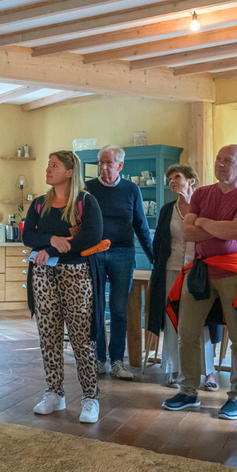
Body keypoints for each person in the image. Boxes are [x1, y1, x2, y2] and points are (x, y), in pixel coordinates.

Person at [162, 145, 237, 421]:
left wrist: (204, 222)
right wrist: (218, 229)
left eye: (228, 160)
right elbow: (188, 232)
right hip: (201, 270)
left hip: (235, 271)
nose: (220, 164)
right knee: (187, 331)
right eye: (218, 159)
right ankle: (187, 390)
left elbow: (236, 230)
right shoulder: (201, 193)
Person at [22, 150, 104, 424]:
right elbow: (28, 235)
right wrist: (51, 241)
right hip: (44, 275)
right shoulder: (39, 203)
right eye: (48, 165)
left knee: (81, 338)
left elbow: (93, 235)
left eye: (54, 166)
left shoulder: (85, 202)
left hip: (77, 275)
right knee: (48, 335)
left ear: (69, 172)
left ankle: (90, 397)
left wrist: (58, 246)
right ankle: (54, 393)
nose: (48, 169)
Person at [147, 164, 221, 391]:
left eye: (177, 177)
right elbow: (159, 243)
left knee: (202, 323)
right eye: (170, 178)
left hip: (198, 271)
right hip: (170, 271)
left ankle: (208, 373)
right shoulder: (167, 209)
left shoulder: (203, 207)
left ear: (191, 181)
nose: (172, 181)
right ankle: (174, 370)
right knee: (171, 321)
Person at [84, 145, 154, 380]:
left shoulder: (131, 189)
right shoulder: (88, 189)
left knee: (119, 309)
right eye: (100, 163)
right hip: (94, 254)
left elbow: (141, 225)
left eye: (109, 163)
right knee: (95, 309)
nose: (103, 167)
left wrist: (154, 258)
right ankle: (99, 360)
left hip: (123, 253)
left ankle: (117, 361)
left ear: (120, 166)